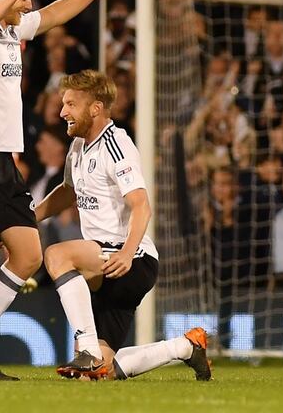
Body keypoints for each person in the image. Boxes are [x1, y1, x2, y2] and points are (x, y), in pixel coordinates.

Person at [0, 0, 136, 380]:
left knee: (29, 254)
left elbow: (57, 11)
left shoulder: (14, 31)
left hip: (2, 161)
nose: (30, 4)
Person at [34, 70, 212, 382]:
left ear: (95, 107)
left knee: (56, 255)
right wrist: (27, 218)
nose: (63, 112)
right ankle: (186, 347)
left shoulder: (117, 144)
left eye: (71, 104)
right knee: (99, 374)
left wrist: (128, 253)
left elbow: (142, 205)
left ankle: (87, 348)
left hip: (131, 259)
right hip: (105, 265)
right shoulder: (77, 147)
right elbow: (67, 192)